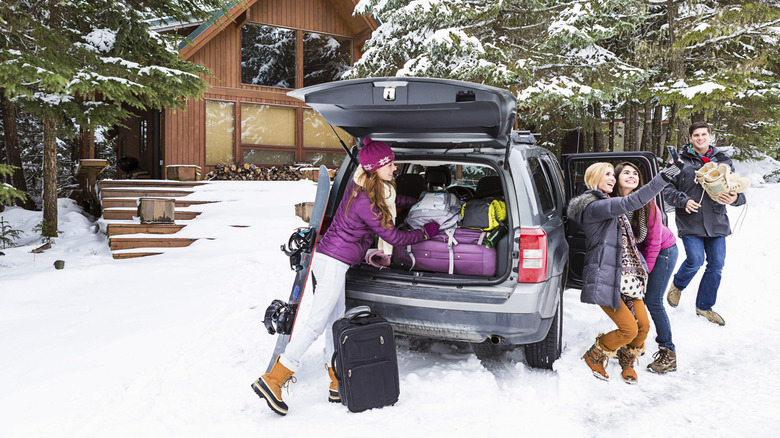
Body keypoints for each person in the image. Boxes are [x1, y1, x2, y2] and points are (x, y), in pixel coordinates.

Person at [251, 137, 439, 416]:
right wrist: (427, 231)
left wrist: (419, 200)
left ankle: (335, 382)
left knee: (334, 323)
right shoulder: (365, 199)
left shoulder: (367, 184)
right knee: (317, 324)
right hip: (333, 262)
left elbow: (391, 198)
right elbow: (393, 236)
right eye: (389, 163)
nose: (393, 167)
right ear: (376, 167)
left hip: (334, 259)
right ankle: (274, 379)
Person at [567, 160, 681, 383]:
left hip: (628, 276)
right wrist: (663, 177)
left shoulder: (608, 201)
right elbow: (632, 201)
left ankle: (626, 358)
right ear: (594, 179)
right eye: (607, 174)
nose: (611, 178)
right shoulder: (595, 206)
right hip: (607, 278)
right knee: (628, 329)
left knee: (644, 326)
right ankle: (594, 355)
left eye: (612, 174)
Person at [662, 121, 747, 326]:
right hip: (690, 220)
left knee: (716, 266)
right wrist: (683, 201)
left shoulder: (723, 160)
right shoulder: (678, 160)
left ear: (710, 136)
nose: (700, 138)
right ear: (690, 138)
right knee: (695, 260)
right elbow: (665, 189)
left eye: (703, 134)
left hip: (717, 221)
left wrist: (735, 198)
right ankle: (678, 285)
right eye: (696, 135)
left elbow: (737, 191)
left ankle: (704, 307)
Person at [614, 162, 679, 374]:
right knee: (633, 299)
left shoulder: (647, 204)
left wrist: (643, 275)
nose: (632, 176)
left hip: (663, 252)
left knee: (652, 300)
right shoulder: (612, 202)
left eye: (635, 173)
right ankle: (635, 343)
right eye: (626, 172)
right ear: (616, 177)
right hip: (638, 257)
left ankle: (668, 352)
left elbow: (653, 243)